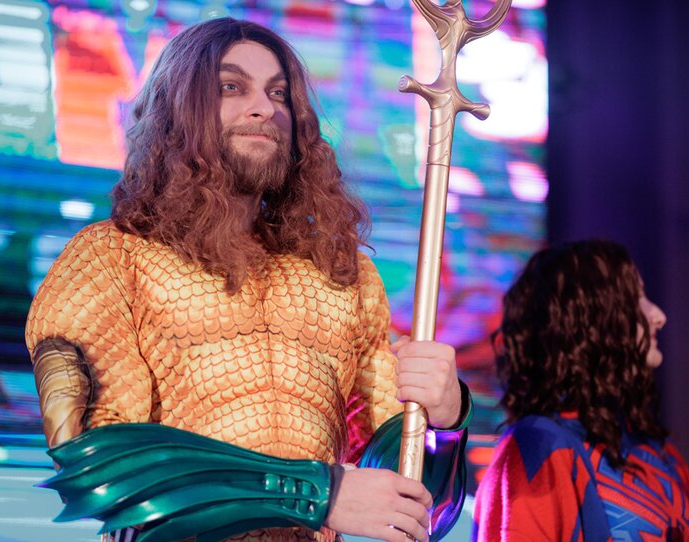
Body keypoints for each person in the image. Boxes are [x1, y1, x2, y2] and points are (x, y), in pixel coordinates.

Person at [26, 17, 470, 542]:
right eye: (231, 87)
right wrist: (318, 494)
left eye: (278, 93)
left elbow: (415, 509)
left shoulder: (341, 274)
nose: (264, 108)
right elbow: (94, 464)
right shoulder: (109, 258)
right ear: (178, 111)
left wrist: (445, 421)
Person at [472, 239, 689, 541]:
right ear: (589, 316)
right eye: (636, 297)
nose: (659, 315)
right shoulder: (539, 445)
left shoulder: (663, 452)